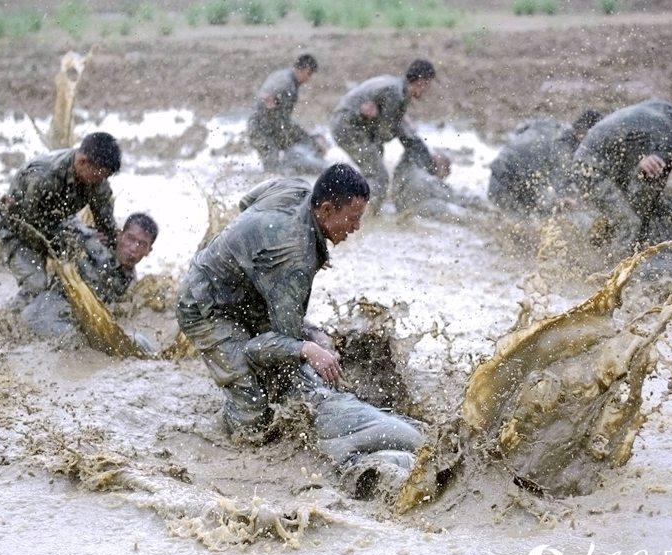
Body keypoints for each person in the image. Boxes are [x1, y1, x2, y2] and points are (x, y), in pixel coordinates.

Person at [176, 164, 423, 499]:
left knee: (289, 363)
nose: (356, 227)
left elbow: (247, 203)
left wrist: (260, 260)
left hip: (237, 287)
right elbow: (261, 348)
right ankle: (223, 428)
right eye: (351, 218)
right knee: (253, 420)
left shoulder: (295, 189)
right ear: (324, 209)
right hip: (206, 308)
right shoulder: (293, 261)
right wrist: (308, 348)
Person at [572, 99, 672, 249]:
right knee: (630, 223)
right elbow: (641, 197)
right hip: (590, 170)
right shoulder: (668, 139)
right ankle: (615, 268)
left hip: (598, 159)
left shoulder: (665, 108)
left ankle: (601, 240)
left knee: (660, 208)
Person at [0, 132, 122, 306]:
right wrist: (71, 245)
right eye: (99, 175)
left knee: (99, 256)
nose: (101, 181)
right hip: (19, 230)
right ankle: (10, 319)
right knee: (36, 286)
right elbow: (31, 226)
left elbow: (106, 225)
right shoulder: (43, 176)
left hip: (60, 223)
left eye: (105, 177)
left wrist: (113, 249)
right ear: (82, 162)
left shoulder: (97, 180)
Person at [21, 213, 157, 343]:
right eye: (130, 238)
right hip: (43, 311)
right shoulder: (95, 246)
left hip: (67, 318)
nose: (133, 248)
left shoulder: (130, 281)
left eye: (142, 244)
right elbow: (62, 226)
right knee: (78, 343)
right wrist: (85, 236)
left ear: (148, 251)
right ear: (119, 235)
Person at [330, 59, 437, 213]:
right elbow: (384, 132)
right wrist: (403, 127)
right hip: (347, 127)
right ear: (421, 82)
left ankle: (348, 203)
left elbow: (384, 127)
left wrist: (401, 123)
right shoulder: (396, 94)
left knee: (375, 160)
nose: (427, 90)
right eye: (428, 85)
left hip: (347, 124)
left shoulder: (396, 86)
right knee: (379, 176)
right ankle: (363, 218)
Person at [488, 109, 603, 213]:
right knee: (552, 212)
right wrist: (566, 201)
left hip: (499, 168)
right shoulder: (563, 154)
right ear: (581, 135)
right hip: (502, 190)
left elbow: (520, 129)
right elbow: (555, 192)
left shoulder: (552, 125)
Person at [247, 54, 327, 175]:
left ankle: (293, 167)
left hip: (271, 126)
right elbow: (267, 99)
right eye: (309, 74)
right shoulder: (285, 83)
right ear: (303, 69)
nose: (308, 79)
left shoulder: (285, 77)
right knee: (272, 169)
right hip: (262, 130)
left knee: (305, 140)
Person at [390, 136, 472, 220]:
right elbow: (452, 197)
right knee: (457, 209)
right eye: (446, 167)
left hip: (403, 203)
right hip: (414, 196)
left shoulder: (413, 158)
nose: (441, 178)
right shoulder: (421, 153)